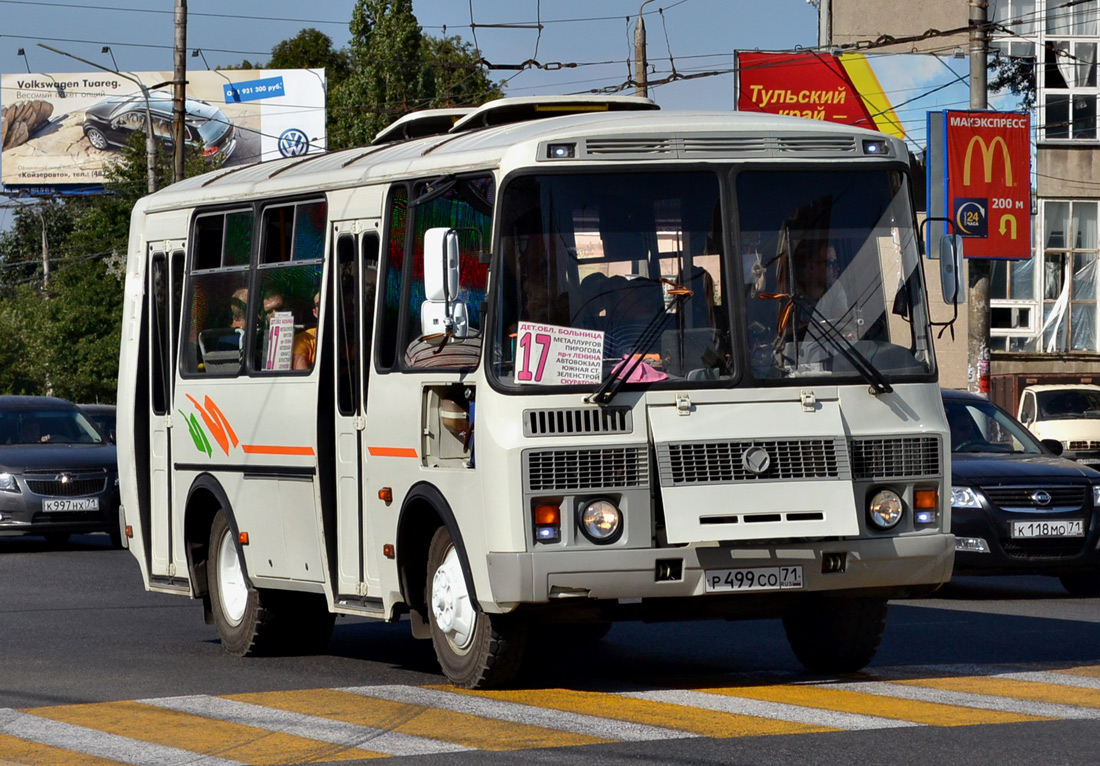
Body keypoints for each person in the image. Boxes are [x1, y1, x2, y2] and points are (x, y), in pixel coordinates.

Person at [293, 292, 320, 370]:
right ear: (315, 312)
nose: (326, 307)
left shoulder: (352, 335)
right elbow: (301, 373)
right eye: (320, 304)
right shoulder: (303, 339)